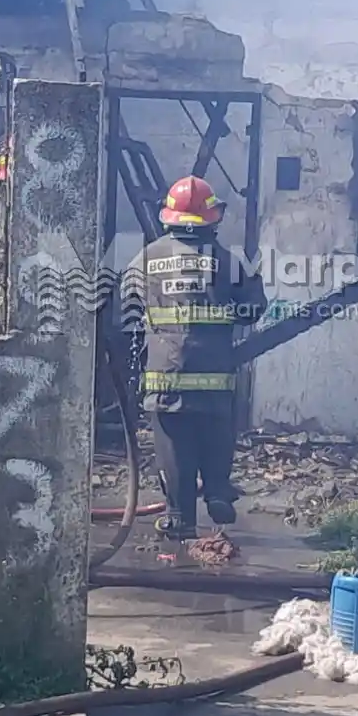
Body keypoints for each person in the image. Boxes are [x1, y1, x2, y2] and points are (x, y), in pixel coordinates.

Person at [122, 175, 267, 540]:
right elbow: (254, 308)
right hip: (215, 377)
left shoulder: (144, 259)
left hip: (165, 378)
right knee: (216, 435)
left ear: (169, 216)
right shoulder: (228, 261)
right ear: (212, 218)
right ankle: (217, 490)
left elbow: (127, 311)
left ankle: (179, 517)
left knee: (174, 447)